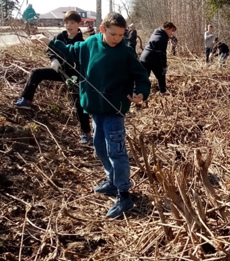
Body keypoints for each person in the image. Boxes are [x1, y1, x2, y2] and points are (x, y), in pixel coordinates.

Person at [31, 12, 151, 219]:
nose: (117, 39)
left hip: (114, 108)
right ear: (103, 30)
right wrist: (48, 42)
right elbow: (69, 52)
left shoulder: (125, 51)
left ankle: (124, 193)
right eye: (113, 34)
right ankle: (111, 181)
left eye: (121, 35)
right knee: (100, 147)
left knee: (116, 150)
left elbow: (141, 76)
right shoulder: (90, 44)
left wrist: (141, 92)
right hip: (95, 107)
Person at [14, 10, 93, 145]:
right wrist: (53, 59)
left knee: (78, 103)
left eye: (72, 23)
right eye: (66, 22)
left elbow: (83, 59)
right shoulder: (60, 36)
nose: (69, 25)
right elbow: (51, 49)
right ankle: (26, 100)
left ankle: (86, 134)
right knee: (36, 73)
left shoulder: (82, 41)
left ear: (79, 24)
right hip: (59, 70)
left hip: (74, 75)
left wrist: (77, 74)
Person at [140, 21, 177, 94]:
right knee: (161, 74)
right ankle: (163, 91)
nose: (171, 33)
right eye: (171, 30)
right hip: (152, 59)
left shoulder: (156, 33)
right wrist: (164, 66)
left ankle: (139, 93)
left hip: (144, 58)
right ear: (167, 28)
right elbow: (162, 53)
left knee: (143, 78)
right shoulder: (162, 37)